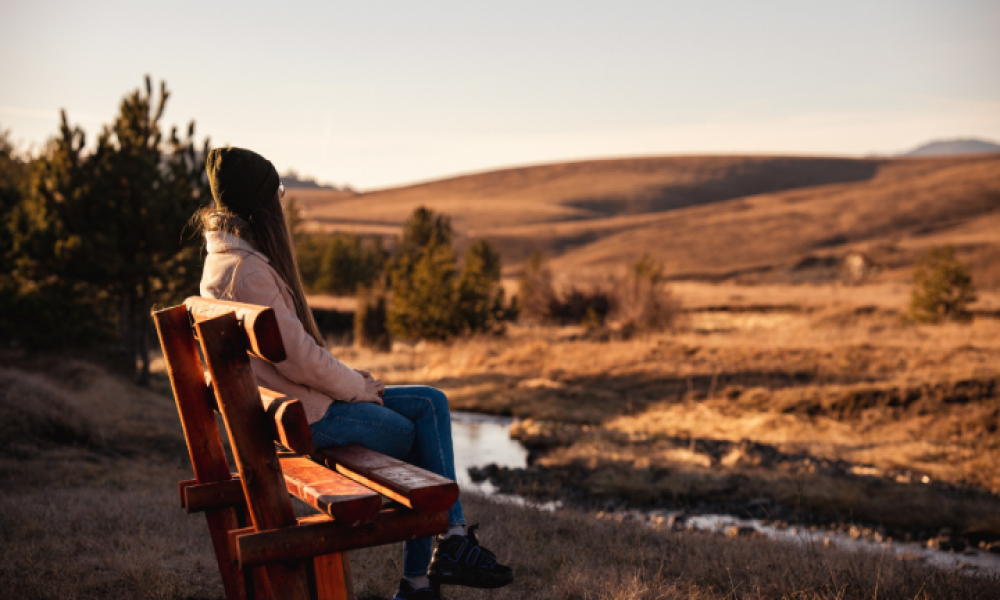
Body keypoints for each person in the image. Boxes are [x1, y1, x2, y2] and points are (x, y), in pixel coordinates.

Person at [195, 147, 513, 600]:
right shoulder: (248, 272)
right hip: (310, 417)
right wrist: (357, 389)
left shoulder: (226, 261)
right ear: (259, 205)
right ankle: (426, 573)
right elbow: (299, 358)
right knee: (417, 435)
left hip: (292, 408)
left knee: (432, 401)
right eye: (277, 194)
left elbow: (293, 357)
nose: (282, 204)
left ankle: (448, 549)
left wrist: (355, 382)